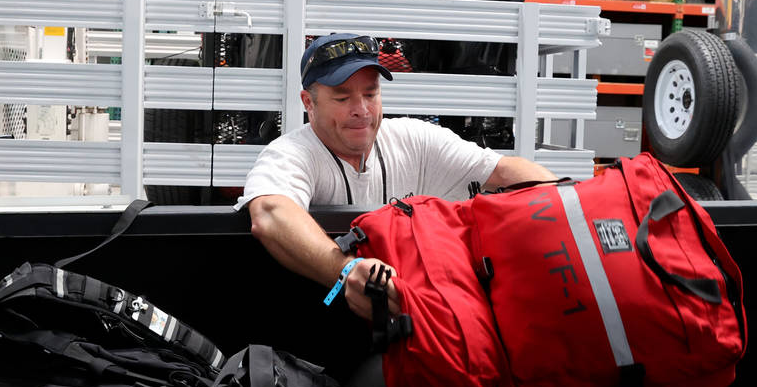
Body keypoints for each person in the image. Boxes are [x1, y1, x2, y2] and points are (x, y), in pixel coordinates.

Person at [237, 32, 557, 321]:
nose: (361, 109)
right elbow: (269, 214)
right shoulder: (291, 153)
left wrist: (572, 208)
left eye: (371, 94)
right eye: (342, 97)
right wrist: (345, 269)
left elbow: (503, 170)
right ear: (309, 102)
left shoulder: (413, 138)